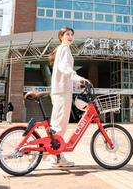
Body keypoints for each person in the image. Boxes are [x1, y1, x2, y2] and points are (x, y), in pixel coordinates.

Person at [47, 27, 89, 168]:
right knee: (59, 126)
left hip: (62, 90)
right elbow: (65, 68)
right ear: (61, 36)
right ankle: (50, 155)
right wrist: (79, 78)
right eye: (67, 34)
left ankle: (56, 157)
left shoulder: (61, 49)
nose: (70, 36)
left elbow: (64, 71)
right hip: (62, 92)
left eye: (72, 34)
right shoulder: (64, 48)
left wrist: (77, 84)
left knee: (58, 126)